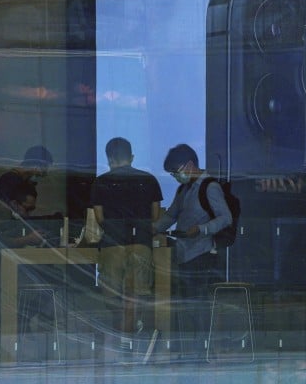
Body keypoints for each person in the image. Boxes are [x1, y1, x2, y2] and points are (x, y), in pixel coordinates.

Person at [154, 144, 232, 359]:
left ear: (189, 165)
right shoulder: (184, 189)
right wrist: (151, 229)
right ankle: (190, 350)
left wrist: (202, 229)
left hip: (202, 254)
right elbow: (171, 215)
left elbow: (226, 218)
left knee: (199, 306)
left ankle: (202, 350)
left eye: (176, 172)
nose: (175, 177)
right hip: (184, 254)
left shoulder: (210, 187)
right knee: (187, 305)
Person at [90, 137, 163, 339]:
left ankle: (119, 335)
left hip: (113, 244)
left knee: (113, 295)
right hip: (141, 243)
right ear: (131, 157)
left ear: (109, 159)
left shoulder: (101, 182)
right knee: (137, 293)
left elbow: (99, 217)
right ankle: (132, 334)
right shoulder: (149, 180)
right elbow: (155, 216)